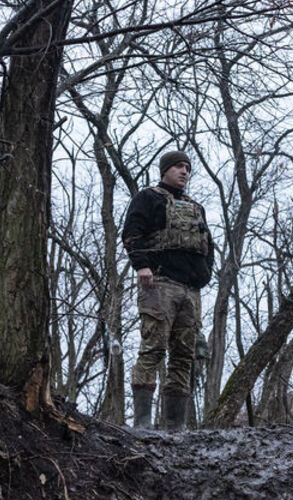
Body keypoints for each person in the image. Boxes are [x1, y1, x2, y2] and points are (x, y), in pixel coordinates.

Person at [122, 150, 214, 430]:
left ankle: (176, 427)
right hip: (159, 283)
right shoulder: (147, 198)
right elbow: (131, 232)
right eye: (178, 167)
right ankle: (143, 425)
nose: (184, 171)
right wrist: (141, 265)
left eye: (187, 167)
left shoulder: (197, 207)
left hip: (190, 290)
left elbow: (208, 245)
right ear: (165, 170)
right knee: (153, 347)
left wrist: (204, 275)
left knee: (184, 355)